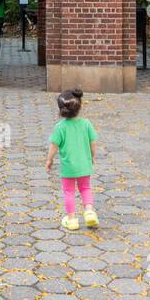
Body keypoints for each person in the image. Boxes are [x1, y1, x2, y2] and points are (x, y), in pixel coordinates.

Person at [45, 88, 98, 230]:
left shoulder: (60, 127)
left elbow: (54, 146)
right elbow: (93, 142)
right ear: (80, 106)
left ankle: (72, 220)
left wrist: (49, 160)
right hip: (84, 164)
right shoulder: (86, 124)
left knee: (69, 192)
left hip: (68, 167)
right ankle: (89, 212)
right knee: (85, 188)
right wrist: (92, 156)